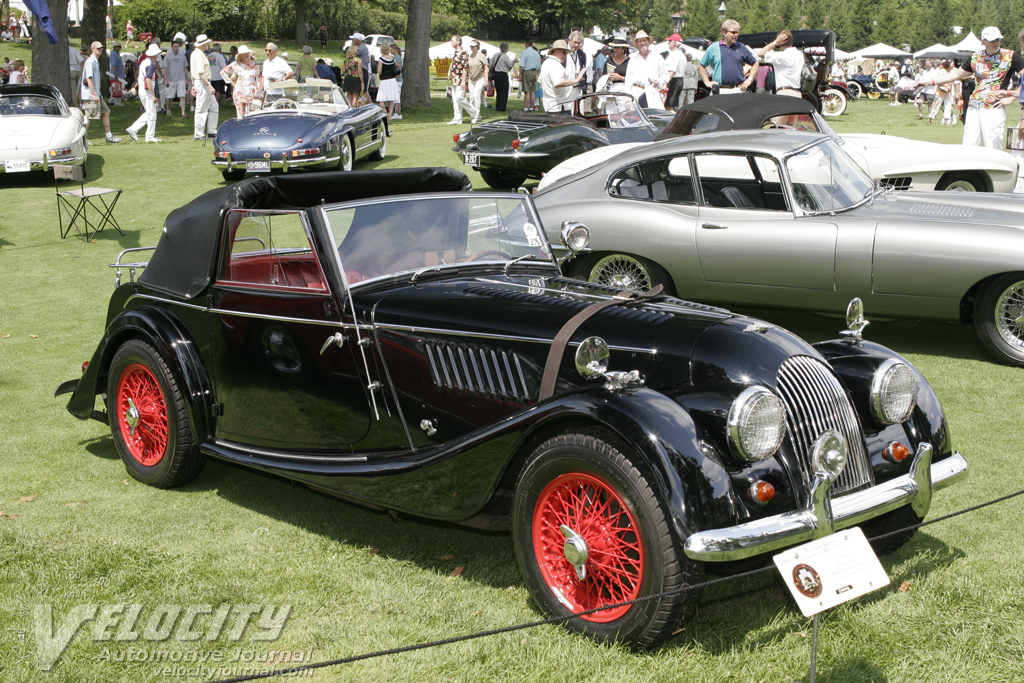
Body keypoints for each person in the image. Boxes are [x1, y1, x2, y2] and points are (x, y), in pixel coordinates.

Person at [931, 26, 1024, 149]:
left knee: (993, 145)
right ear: (983, 41)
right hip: (974, 105)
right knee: (969, 144)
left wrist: (1012, 96)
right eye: (992, 40)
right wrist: (930, 82)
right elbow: (957, 75)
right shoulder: (975, 57)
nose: (996, 43)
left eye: (998, 40)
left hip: (994, 106)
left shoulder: (1010, 56)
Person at [80, 42, 122, 143]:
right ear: (93, 49)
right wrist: (94, 94)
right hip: (91, 95)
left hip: (96, 94)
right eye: (98, 48)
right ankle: (82, 139)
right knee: (88, 117)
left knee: (106, 112)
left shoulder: (95, 61)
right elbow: (88, 79)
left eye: (101, 49)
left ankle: (108, 136)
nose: (100, 50)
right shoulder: (90, 61)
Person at [699, 19, 756, 93]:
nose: (735, 35)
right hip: (719, 90)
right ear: (724, 33)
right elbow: (701, 65)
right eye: (733, 32)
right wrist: (707, 82)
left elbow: (755, 63)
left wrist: (750, 79)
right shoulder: (714, 47)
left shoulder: (741, 47)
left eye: (737, 32)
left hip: (737, 89)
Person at [126, 44, 161, 142]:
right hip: (147, 91)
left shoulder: (145, 62)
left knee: (150, 113)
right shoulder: (150, 64)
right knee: (152, 114)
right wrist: (153, 95)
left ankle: (135, 130)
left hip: (143, 90)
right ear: (156, 54)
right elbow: (148, 80)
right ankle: (148, 136)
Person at [539, 39, 584, 113]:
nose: (566, 55)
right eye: (564, 52)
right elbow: (558, 83)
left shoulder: (546, 63)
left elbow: (540, 81)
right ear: (556, 51)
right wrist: (576, 80)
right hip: (559, 107)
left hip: (550, 105)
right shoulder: (555, 65)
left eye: (566, 53)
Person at [625, 30, 666, 108]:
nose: (642, 43)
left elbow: (665, 75)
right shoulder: (633, 59)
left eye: (644, 40)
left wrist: (659, 82)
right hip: (636, 91)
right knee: (635, 117)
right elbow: (628, 79)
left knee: (653, 116)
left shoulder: (658, 57)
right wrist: (627, 98)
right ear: (637, 44)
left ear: (649, 42)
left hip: (652, 91)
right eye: (640, 41)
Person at [757, 29, 803, 96]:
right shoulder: (799, 54)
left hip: (784, 92)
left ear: (781, 41)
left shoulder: (781, 56)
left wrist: (775, 42)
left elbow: (760, 53)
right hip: (797, 92)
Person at [191, 34, 219, 140]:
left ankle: (212, 131)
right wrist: (209, 85)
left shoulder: (197, 53)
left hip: (202, 82)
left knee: (214, 106)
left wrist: (193, 84)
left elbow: (194, 72)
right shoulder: (198, 55)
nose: (208, 44)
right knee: (201, 108)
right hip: (203, 82)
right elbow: (201, 72)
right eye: (207, 43)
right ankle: (199, 134)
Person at [221, 44, 260, 118]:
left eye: (247, 52)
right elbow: (223, 72)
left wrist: (259, 91)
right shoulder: (236, 64)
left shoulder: (255, 66)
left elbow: (258, 79)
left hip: (252, 93)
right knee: (240, 116)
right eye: (244, 53)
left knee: (251, 116)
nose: (247, 54)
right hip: (239, 93)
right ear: (240, 55)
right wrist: (232, 83)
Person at [447, 35, 477, 124]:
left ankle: (475, 112)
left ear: (458, 42)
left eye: (453, 40)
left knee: (460, 98)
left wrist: (463, 81)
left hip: (460, 79)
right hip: (454, 79)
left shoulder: (463, 52)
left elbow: (465, 67)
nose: (451, 42)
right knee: (455, 99)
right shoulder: (455, 52)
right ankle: (457, 118)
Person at [161, 39, 188, 116]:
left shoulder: (182, 56)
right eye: (175, 46)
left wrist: (186, 79)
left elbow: (185, 68)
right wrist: (165, 80)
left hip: (181, 79)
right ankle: (168, 110)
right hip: (171, 80)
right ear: (172, 47)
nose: (176, 48)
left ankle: (183, 112)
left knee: (182, 95)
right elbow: (165, 69)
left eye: (177, 46)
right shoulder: (167, 57)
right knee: (169, 96)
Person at [466, 39, 488, 123]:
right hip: (471, 79)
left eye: (473, 46)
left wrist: (486, 80)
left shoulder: (481, 56)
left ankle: (476, 115)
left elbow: (486, 68)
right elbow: (468, 68)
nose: (471, 47)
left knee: (476, 96)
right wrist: (467, 77)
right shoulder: (469, 56)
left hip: (480, 78)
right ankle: (476, 115)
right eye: (471, 46)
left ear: (477, 47)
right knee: (471, 98)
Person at [376, 44, 400, 120]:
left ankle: (385, 113)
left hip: (384, 80)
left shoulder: (381, 59)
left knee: (382, 99)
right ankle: (390, 115)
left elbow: (379, 71)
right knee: (391, 99)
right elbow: (396, 68)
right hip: (392, 80)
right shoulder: (392, 58)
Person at [929, 60, 956, 125]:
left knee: (948, 105)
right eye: (952, 64)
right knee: (936, 105)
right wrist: (946, 86)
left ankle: (947, 120)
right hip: (941, 91)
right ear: (948, 65)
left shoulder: (951, 72)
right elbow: (939, 80)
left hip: (949, 92)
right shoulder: (942, 71)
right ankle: (930, 118)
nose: (953, 65)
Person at [490, 42, 515, 112]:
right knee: (504, 91)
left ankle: (498, 106)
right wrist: (514, 62)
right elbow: (510, 65)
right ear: (506, 49)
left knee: (498, 91)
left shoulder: (495, 55)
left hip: (496, 74)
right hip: (503, 74)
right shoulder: (505, 56)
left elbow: (491, 64)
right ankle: (502, 107)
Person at [663, 34, 686, 111]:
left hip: (674, 81)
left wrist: (665, 84)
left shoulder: (675, 55)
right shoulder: (681, 54)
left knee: (668, 107)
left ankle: (677, 122)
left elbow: (672, 71)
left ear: (673, 43)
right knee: (670, 106)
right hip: (678, 80)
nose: (668, 43)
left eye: (669, 41)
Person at [519, 38, 541, 111]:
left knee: (527, 91)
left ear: (526, 44)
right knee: (533, 91)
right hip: (535, 72)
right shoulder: (536, 53)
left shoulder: (525, 52)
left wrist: (520, 74)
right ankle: (532, 107)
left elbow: (522, 65)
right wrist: (537, 74)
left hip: (527, 72)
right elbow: (539, 67)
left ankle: (526, 107)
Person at [566, 30, 589, 99]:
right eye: (575, 42)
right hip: (565, 87)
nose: (576, 45)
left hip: (577, 88)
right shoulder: (563, 52)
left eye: (579, 43)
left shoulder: (582, 54)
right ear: (569, 40)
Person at [107, 41, 125, 105]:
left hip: (119, 74)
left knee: (116, 88)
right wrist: (115, 74)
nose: (120, 48)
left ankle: (111, 100)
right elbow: (114, 65)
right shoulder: (114, 54)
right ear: (116, 47)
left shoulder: (116, 53)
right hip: (116, 74)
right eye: (119, 46)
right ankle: (116, 101)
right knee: (116, 88)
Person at [391, 45, 404, 119]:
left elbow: (398, 68)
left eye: (391, 50)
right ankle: (396, 111)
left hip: (398, 80)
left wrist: (396, 77)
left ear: (395, 50)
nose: (390, 51)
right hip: (397, 79)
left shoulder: (397, 57)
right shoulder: (396, 57)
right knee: (396, 95)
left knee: (397, 96)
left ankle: (398, 111)